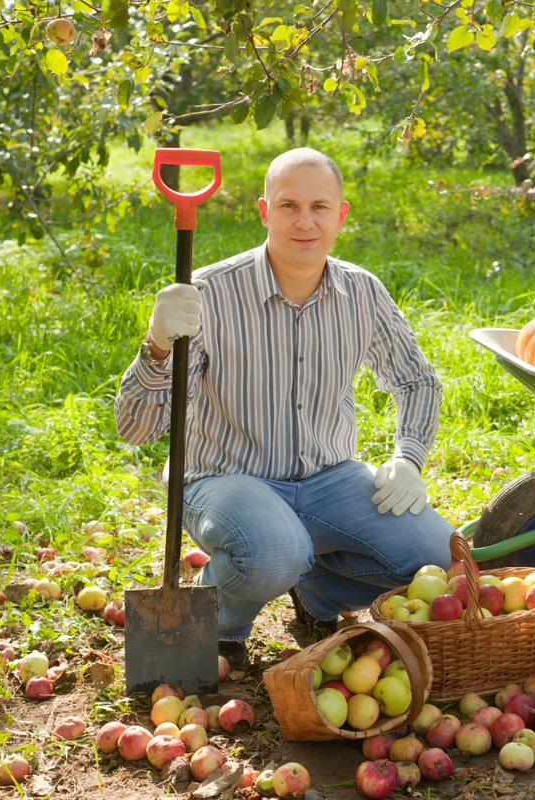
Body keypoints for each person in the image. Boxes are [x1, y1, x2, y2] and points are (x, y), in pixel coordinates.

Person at [114, 148, 454, 664]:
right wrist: (157, 345)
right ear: (264, 212)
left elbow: (416, 381)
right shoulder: (208, 294)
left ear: (340, 215)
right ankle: (216, 620)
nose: (304, 221)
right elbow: (135, 429)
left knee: (436, 559)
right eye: (289, 205)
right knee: (275, 551)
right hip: (225, 478)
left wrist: (408, 457)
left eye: (320, 207)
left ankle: (318, 590)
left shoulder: (363, 293)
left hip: (329, 478)